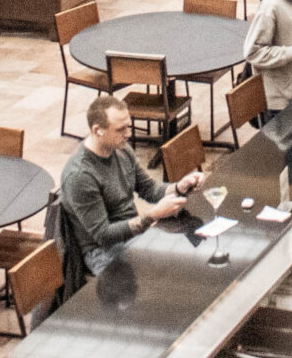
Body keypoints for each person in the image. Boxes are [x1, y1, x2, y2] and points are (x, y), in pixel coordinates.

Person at [58, 93, 201, 277]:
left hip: (133, 237)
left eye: (129, 126)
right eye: (120, 129)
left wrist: (179, 187)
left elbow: (149, 189)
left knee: (190, 250)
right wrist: (152, 215)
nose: (128, 134)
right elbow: (103, 235)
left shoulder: (122, 150)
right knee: (176, 266)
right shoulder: (80, 176)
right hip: (103, 252)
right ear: (97, 130)